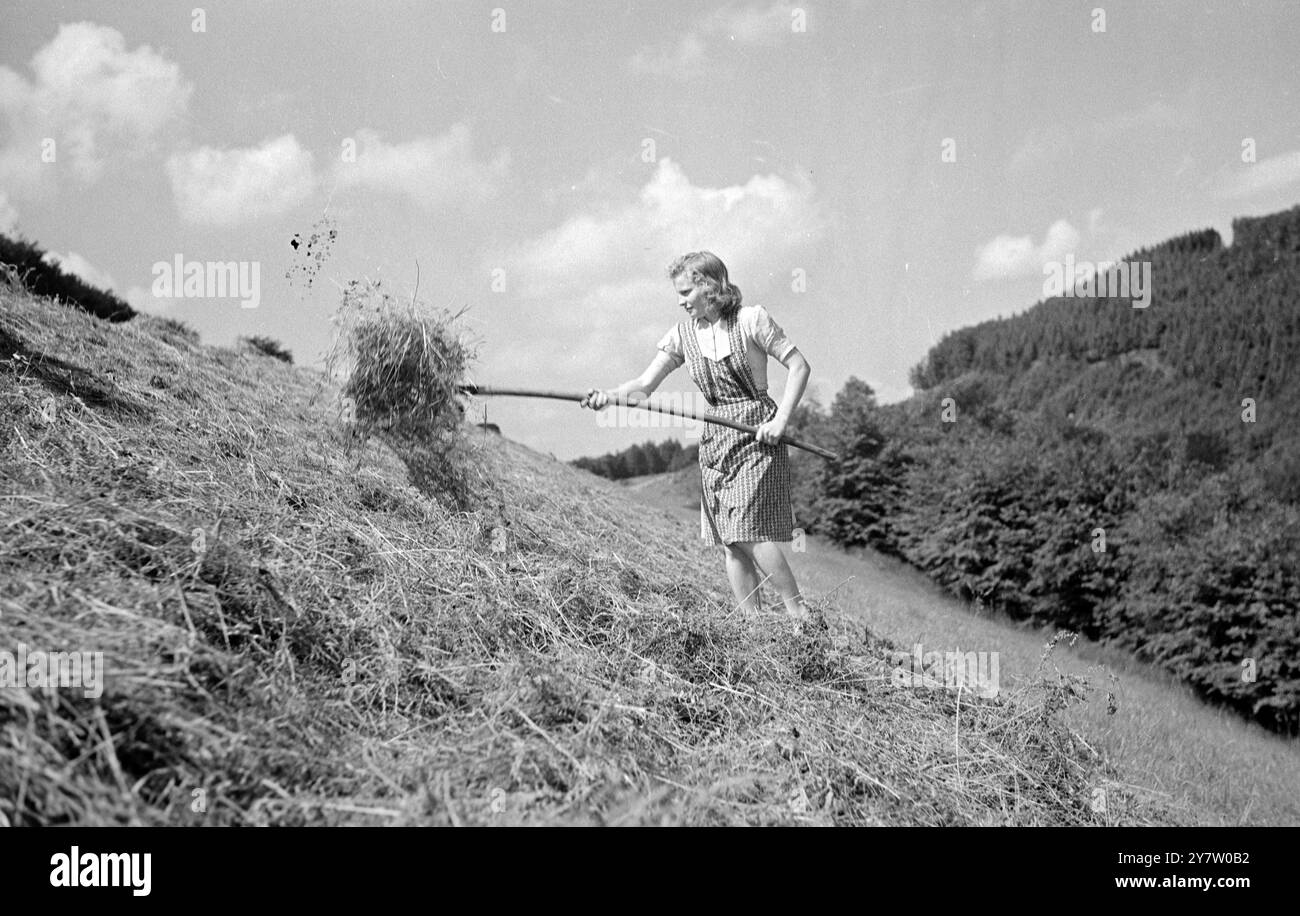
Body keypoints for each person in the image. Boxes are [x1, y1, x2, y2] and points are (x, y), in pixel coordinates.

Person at [580, 251, 817, 630]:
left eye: (686, 291)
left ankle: (799, 614)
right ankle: (754, 629)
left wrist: (781, 420)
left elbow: (799, 367)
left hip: (757, 433)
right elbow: (643, 386)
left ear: (709, 287)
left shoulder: (751, 320)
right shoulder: (683, 336)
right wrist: (607, 397)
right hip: (716, 441)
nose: (681, 300)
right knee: (730, 540)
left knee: (746, 530)